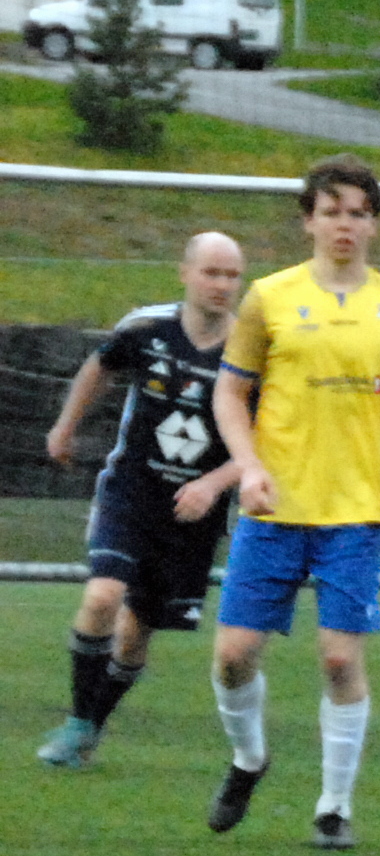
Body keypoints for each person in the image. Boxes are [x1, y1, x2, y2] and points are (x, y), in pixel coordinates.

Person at [207, 156, 380, 849]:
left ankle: (334, 807)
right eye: (332, 211)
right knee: (233, 656)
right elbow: (230, 392)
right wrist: (250, 467)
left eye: (358, 213)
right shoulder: (268, 298)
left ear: (375, 225)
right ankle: (249, 758)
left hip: (354, 513)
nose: (345, 224)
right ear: (308, 221)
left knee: (340, 660)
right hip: (274, 508)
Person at [34, 231, 249, 768]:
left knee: (134, 636)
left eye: (232, 275)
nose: (222, 284)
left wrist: (212, 485)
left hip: (193, 516)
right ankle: (77, 721)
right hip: (131, 492)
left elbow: (265, 442)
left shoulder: (251, 350)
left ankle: (90, 728)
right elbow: (99, 366)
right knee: (103, 597)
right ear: (185, 273)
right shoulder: (146, 328)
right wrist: (65, 426)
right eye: (211, 272)